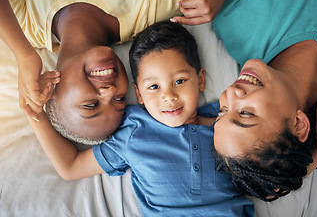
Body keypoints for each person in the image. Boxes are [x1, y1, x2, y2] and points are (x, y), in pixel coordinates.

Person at [26, 21, 254, 216]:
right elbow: (70, 167)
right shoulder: (134, 132)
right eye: (154, 86)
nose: (168, 96)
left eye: (180, 81)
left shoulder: (227, 122)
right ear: (139, 94)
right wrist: (36, 114)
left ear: (200, 80)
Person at [1, 0, 233, 145]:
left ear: (52, 89)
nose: (109, 91)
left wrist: (23, 54)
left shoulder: (25, 25)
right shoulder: (150, 7)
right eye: (120, 99)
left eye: (91, 105)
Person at [210, 0, 317, 201]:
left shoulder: (235, 19)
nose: (231, 93)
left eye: (222, 111)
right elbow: (274, 192)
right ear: (299, 125)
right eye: (246, 113)